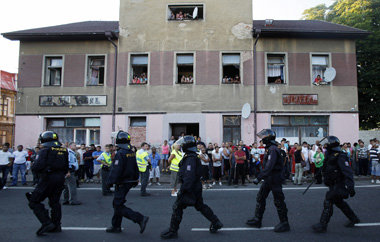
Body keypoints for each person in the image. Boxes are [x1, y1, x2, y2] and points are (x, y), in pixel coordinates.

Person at [160, 136, 223, 239]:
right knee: (200, 206)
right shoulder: (192, 156)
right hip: (195, 187)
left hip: (190, 188)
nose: (181, 145)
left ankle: (173, 231)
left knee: (178, 207)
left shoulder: (190, 158)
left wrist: (183, 190)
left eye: (183, 144)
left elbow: (189, 176)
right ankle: (216, 222)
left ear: (187, 146)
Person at [312, 136, 359, 233]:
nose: (325, 144)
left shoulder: (340, 155)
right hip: (332, 184)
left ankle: (323, 224)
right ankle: (353, 218)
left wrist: (350, 186)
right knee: (339, 203)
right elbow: (327, 167)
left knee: (328, 200)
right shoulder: (330, 154)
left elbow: (347, 172)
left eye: (327, 143)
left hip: (338, 184)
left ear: (332, 144)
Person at [247, 129, 290, 233]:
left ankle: (284, 223)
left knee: (279, 201)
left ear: (268, 138)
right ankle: (258, 219)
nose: (261, 140)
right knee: (260, 197)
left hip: (274, 179)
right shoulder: (270, 148)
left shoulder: (273, 149)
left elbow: (270, 166)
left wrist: (259, 177)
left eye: (263, 138)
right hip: (269, 178)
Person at [106, 131, 149, 234]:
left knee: (117, 205)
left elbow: (116, 169)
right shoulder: (130, 152)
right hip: (129, 181)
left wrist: (109, 182)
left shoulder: (120, 153)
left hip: (122, 182)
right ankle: (116, 226)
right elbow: (135, 166)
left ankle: (139, 218)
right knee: (118, 203)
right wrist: (135, 179)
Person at [26, 131, 69, 235]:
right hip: (60, 178)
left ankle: (46, 222)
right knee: (55, 202)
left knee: (34, 201)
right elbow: (66, 166)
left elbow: (37, 166)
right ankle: (56, 225)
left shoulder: (45, 150)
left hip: (47, 178)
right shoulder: (63, 150)